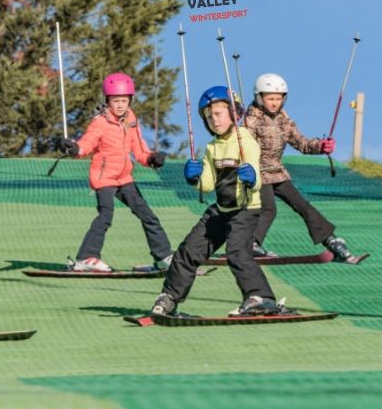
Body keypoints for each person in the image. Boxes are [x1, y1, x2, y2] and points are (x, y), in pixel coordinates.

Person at [151, 86, 290, 318]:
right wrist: (194, 177)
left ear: (234, 112)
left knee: (236, 252)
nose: (214, 120)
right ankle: (170, 298)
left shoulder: (246, 140)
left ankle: (261, 298)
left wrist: (251, 178)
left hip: (245, 209)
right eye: (209, 116)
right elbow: (207, 184)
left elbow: (256, 178)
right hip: (221, 210)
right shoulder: (211, 148)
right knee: (187, 251)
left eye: (218, 113)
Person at [56, 73, 171, 272]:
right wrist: (75, 149)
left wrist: (152, 159)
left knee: (147, 215)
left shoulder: (131, 119)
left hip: (124, 177)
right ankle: (86, 258)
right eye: (115, 101)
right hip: (105, 178)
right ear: (107, 101)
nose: (120, 105)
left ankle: (163, 257)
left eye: (124, 101)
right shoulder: (100, 122)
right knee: (105, 216)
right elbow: (87, 143)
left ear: (130, 100)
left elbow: (140, 149)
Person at [243, 73, 358, 262]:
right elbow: (245, 147)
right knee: (268, 209)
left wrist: (320, 146)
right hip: (258, 173)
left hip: (277, 172)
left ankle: (330, 240)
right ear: (259, 97)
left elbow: (300, 142)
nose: (274, 103)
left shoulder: (283, 119)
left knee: (302, 205)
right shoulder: (251, 120)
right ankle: (252, 243)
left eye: (278, 99)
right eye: (270, 98)